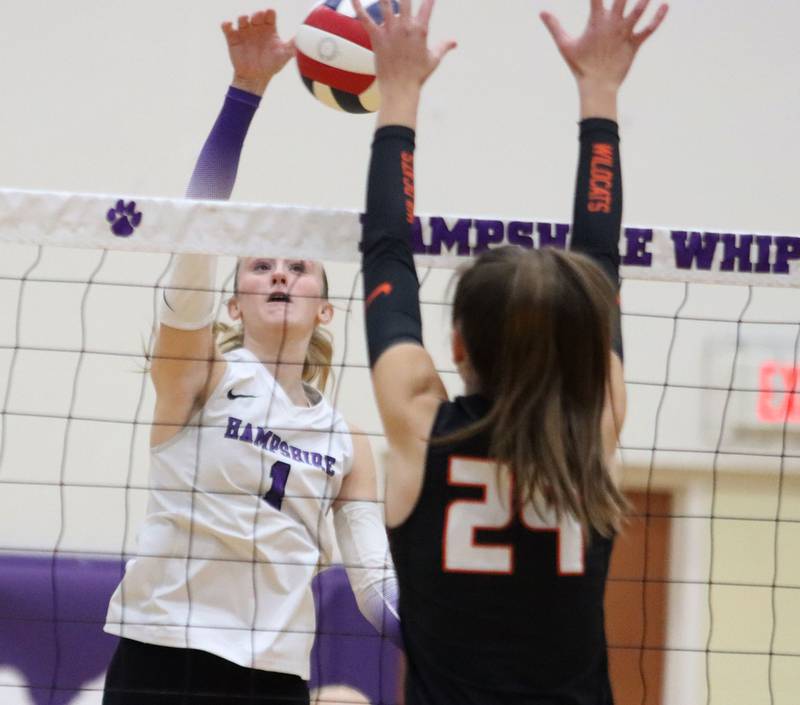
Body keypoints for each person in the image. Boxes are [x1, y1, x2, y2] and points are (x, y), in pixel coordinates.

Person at [353, 0, 668, 702]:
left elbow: (384, 252)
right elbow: (601, 260)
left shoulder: (420, 420)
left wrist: (398, 94)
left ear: (457, 342)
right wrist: (601, 95)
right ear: (577, 337)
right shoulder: (595, 423)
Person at [102, 10, 398, 705]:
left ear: (326, 307)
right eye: (260, 264)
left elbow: (371, 578)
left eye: (298, 265)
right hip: (162, 650)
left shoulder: (347, 439)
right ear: (231, 303)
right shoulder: (199, 378)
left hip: (271, 674)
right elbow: (195, 234)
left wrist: (435, 638)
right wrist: (244, 92)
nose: (279, 273)